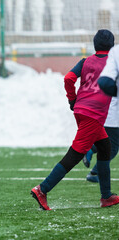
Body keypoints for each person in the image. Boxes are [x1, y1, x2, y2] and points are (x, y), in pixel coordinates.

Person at [31, 29, 119, 210]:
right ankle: (42, 189)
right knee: (75, 154)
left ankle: (106, 196)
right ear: (112, 46)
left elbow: (69, 78)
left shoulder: (85, 61)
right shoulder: (113, 63)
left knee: (105, 147)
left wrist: (72, 99)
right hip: (94, 114)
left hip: (81, 109)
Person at [82, 97, 119, 183]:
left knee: (108, 144)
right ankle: (95, 173)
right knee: (112, 148)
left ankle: (90, 149)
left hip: (108, 114)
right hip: (113, 118)